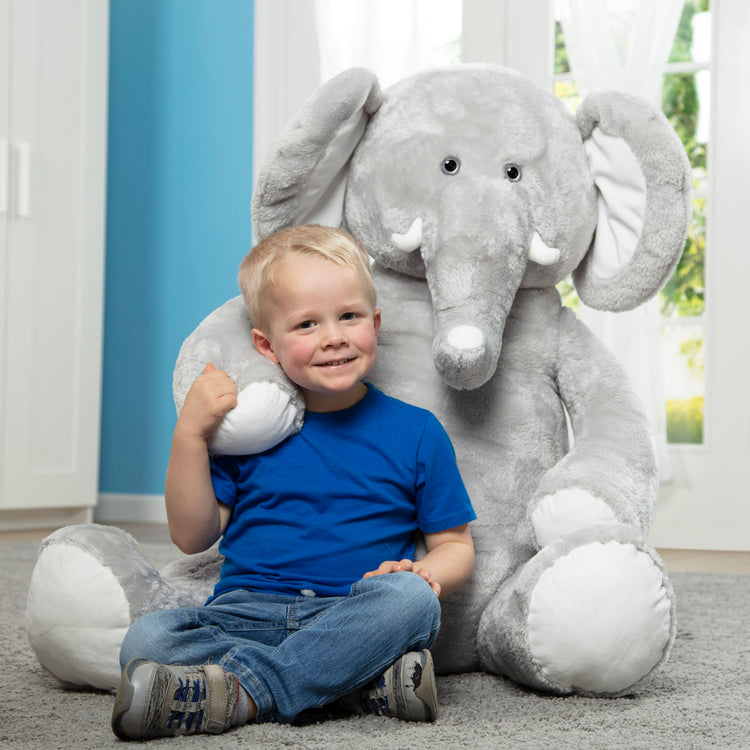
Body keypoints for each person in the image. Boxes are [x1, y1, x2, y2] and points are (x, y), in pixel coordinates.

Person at [111, 224, 476, 740]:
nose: (333, 336)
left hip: (350, 610)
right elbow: (192, 537)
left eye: (349, 316)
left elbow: (456, 546)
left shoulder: (417, 431)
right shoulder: (246, 435)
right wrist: (191, 434)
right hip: (243, 614)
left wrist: (424, 572)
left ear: (375, 322)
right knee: (146, 639)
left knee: (412, 603)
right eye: (306, 324)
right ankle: (353, 685)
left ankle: (242, 694)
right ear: (268, 344)